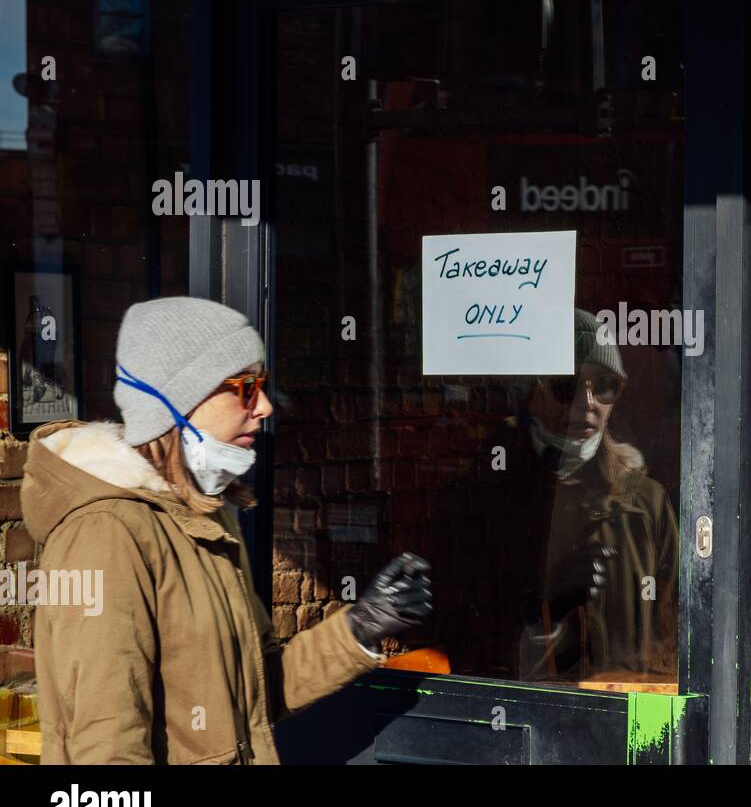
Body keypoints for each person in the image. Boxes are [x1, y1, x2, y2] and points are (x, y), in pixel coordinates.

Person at [21, 296, 432, 764]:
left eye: (263, 385)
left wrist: (361, 626)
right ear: (179, 399)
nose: (264, 406)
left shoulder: (201, 516)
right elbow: (104, 746)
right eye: (245, 386)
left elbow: (256, 691)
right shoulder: (104, 534)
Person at [476, 310, 678, 682]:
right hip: (530, 712)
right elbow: (477, 636)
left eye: (605, 387)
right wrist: (552, 610)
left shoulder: (646, 502)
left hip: (627, 709)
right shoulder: (494, 493)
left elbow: (674, 625)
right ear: (537, 388)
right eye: (568, 384)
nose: (587, 403)